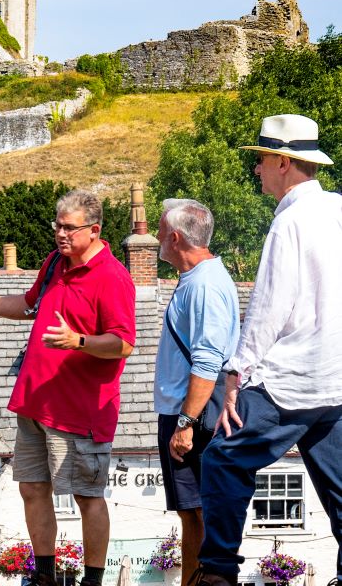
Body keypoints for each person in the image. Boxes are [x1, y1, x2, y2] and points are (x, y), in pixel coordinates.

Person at [0, 189, 136, 586]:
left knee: (86, 497)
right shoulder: (54, 264)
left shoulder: (113, 278)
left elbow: (123, 343)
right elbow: (29, 305)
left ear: (94, 230)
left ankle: (92, 581)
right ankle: (44, 576)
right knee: (31, 488)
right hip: (35, 402)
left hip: (80, 411)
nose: (60, 235)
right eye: (57, 226)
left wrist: (78, 341)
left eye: (69, 228)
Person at [196, 114, 342, 586]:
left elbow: (269, 307)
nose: (256, 170)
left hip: (292, 380)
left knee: (222, 458)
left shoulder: (290, 222)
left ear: (282, 161)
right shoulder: (338, 209)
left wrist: (236, 374)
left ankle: (217, 573)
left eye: (259, 160)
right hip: (337, 381)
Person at [153, 199, 239, 586]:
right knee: (192, 511)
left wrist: (185, 424)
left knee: (200, 510)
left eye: (159, 232)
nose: (155, 239)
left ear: (174, 238)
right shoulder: (199, 279)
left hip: (193, 413)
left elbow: (207, 362)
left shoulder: (203, 285)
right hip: (188, 410)